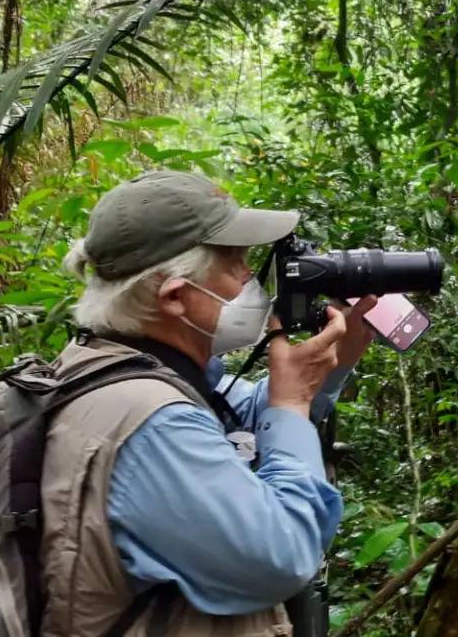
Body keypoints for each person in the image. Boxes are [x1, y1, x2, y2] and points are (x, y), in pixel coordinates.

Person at [44, 170, 377, 636]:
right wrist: (292, 403)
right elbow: (282, 557)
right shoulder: (153, 423)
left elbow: (244, 416)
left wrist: (335, 360)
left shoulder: (116, 369)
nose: (250, 278)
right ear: (176, 297)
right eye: (235, 263)